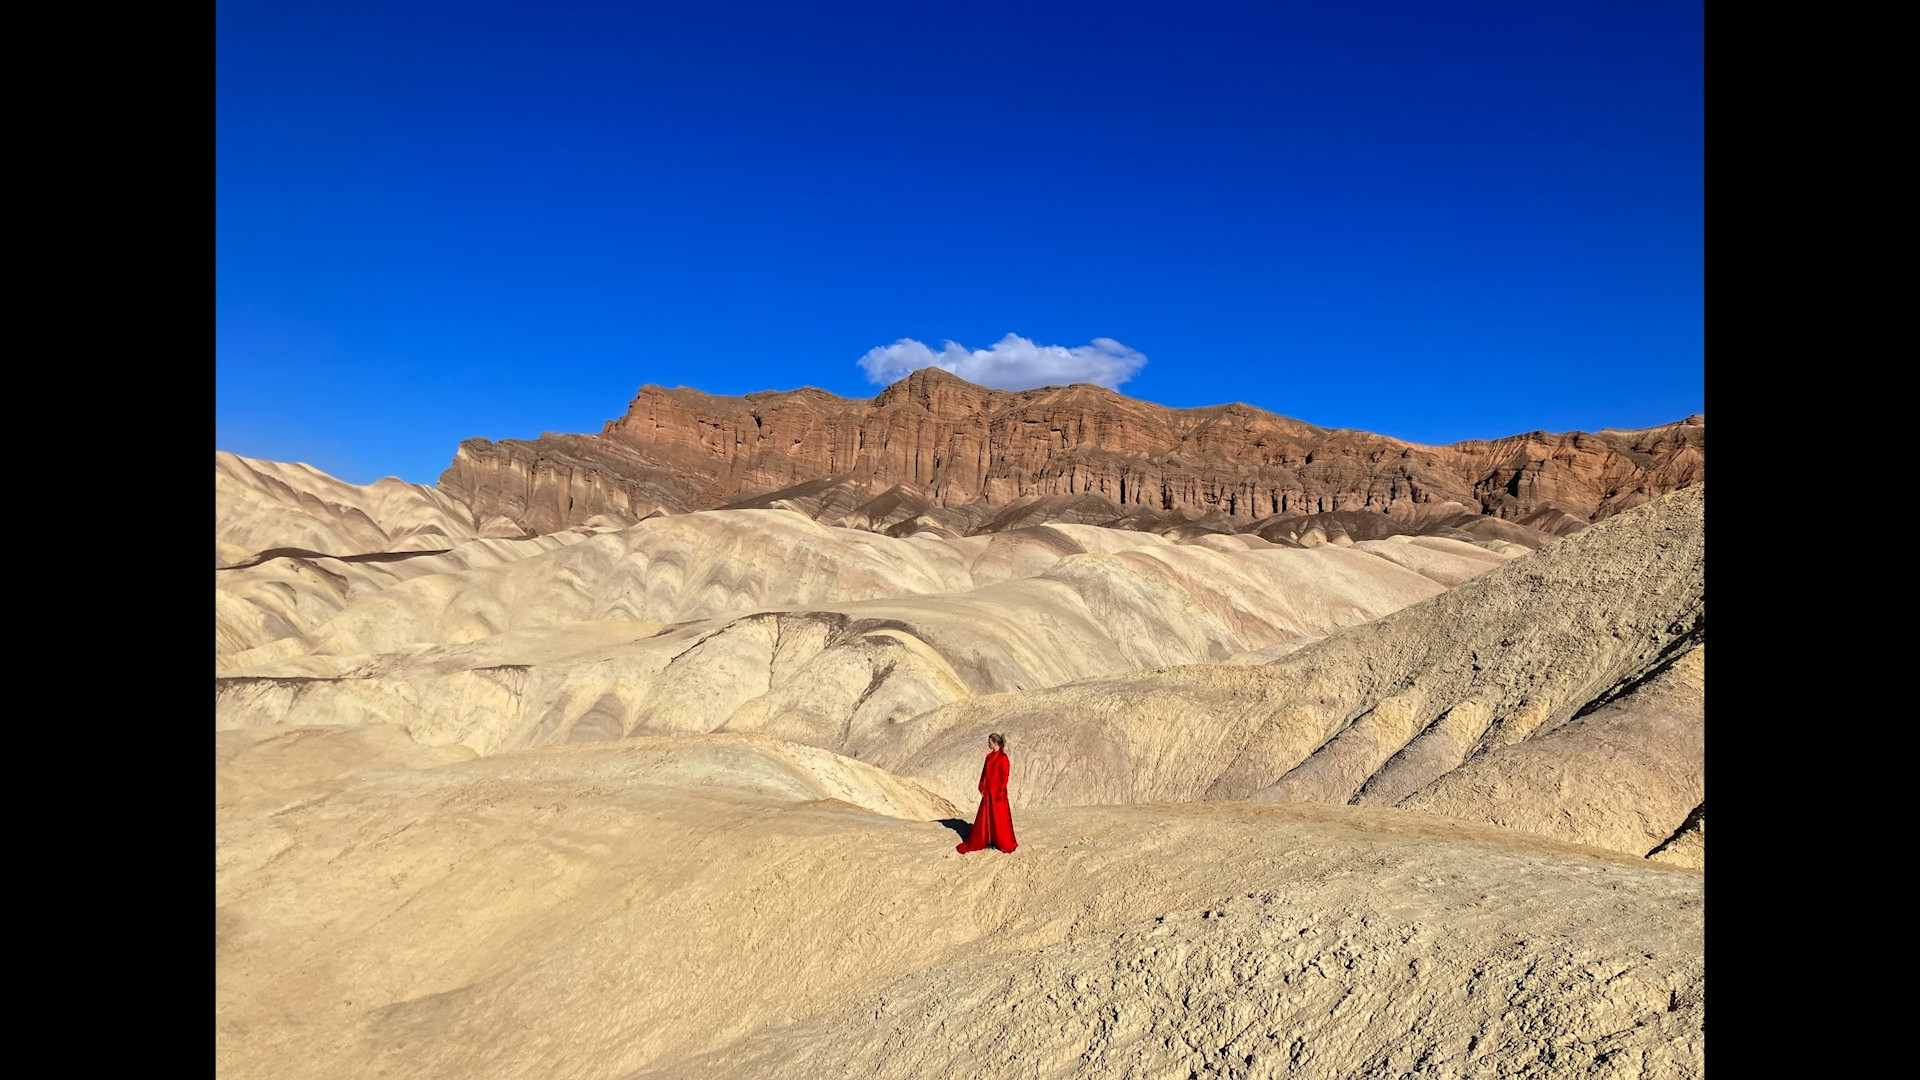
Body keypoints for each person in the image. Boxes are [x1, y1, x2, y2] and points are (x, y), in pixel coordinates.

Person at [956, 732, 1018, 854]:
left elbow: (1005, 776)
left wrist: (1001, 790)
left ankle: (999, 841)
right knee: (987, 816)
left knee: (999, 817)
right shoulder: (989, 757)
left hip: (998, 793)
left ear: (995, 743)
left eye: (990, 742)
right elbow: (984, 773)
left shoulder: (1003, 758)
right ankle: (988, 839)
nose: (988, 744)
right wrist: (981, 785)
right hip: (988, 792)